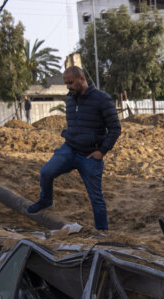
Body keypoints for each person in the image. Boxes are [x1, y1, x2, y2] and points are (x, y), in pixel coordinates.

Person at [28, 66, 121, 234]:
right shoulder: (71, 99)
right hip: (69, 149)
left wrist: (101, 152)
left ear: (82, 79)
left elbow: (115, 129)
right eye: (66, 83)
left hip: (91, 155)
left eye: (70, 82)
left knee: (96, 198)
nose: (68, 86)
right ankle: (46, 201)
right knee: (46, 172)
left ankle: (102, 232)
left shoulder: (102, 99)